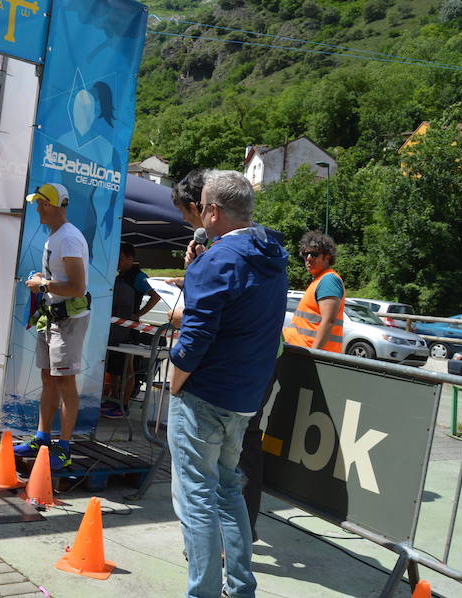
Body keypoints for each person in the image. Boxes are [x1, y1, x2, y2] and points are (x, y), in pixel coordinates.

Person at [168, 169, 287, 598]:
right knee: (227, 489)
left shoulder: (216, 261)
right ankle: (240, 588)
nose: (197, 213)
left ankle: (202, 592)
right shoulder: (274, 253)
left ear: (213, 211)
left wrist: (175, 379)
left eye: (200, 207)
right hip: (244, 397)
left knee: (196, 498)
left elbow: (196, 336)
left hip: (205, 394)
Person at [14, 183, 90, 472]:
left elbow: (78, 287)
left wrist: (42, 284)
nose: (37, 209)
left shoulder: (69, 239)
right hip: (53, 315)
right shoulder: (57, 237)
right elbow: (60, 279)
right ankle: (41, 438)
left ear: (52, 205)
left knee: (64, 382)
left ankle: (65, 447)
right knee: (48, 377)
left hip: (67, 319)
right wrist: (42, 279)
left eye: (41, 204)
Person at [102, 242, 161, 418]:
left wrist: (139, 314)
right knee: (113, 368)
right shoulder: (120, 276)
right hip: (114, 328)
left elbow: (156, 295)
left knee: (127, 368)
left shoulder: (138, 277)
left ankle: (124, 405)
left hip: (129, 330)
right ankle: (112, 399)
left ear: (131, 258)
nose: (117, 262)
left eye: (120, 259)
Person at [283, 230, 345, 352]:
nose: (308, 258)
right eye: (305, 254)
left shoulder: (329, 280)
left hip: (306, 356)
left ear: (327, 257)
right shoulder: (319, 280)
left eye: (314, 254)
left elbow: (329, 321)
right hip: (298, 351)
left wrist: (314, 356)